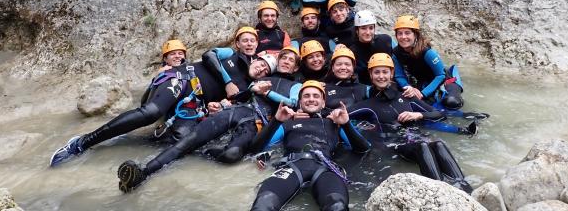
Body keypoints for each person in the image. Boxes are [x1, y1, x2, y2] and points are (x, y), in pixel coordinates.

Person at [116, 54, 278, 192]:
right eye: (262, 64)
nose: (262, 69)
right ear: (255, 60)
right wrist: (217, 104)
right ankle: (143, 173)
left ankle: (202, 151)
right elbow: (211, 59)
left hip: (245, 120)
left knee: (222, 151)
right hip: (224, 112)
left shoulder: (265, 85)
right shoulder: (242, 75)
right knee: (186, 141)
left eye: (266, 70)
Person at [49, 40, 205, 166]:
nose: (177, 56)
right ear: (165, 58)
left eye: (180, 53)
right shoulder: (164, 74)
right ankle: (81, 143)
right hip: (164, 110)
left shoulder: (191, 70)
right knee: (150, 113)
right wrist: (157, 79)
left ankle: (126, 140)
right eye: (173, 54)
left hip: (185, 113)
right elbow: (147, 103)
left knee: (179, 141)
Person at [347, 53, 474, 193]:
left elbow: (439, 115)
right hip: (396, 146)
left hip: (417, 139)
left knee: (438, 144)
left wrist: (418, 114)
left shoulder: (406, 96)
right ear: (371, 75)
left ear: (392, 74)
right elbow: (342, 114)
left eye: (385, 72)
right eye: (377, 72)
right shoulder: (368, 104)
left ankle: (465, 189)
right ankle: (439, 192)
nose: (381, 76)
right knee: (423, 146)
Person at [247, 80, 371, 211]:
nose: (311, 99)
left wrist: (346, 124)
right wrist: (276, 121)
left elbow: (364, 149)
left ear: (323, 103)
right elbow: (255, 148)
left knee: (337, 206)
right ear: (300, 102)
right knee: (263, 203)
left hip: (325, 169)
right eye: (306, 96)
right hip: (292, 167)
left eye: (316, 96)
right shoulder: (288, 123)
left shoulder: (335, 123)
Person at [392, 15, 465, 110]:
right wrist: (408, 88)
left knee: (451, 102)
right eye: (400, 33)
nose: (403, 37)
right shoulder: (396, 53)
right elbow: (399, 76)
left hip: (443, 80)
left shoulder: (427, 52)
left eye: (407, 33)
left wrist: (422, 93)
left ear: (415, 35)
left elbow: (440, 75)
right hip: (422, 81)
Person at [201, 26, 261, 103]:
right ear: (238, 44)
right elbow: (209, 55)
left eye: (252, 41)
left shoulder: (257, 69)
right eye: (245, 41)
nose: (249, 43)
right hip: (192, 79)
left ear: (256, 44)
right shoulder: (231, 53)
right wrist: (228, 82)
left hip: (204, 100)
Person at [348, 10, 395, 85]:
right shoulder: (352, 52)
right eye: (363, 28)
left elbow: (396, 62)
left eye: (371, 28)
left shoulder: (386, 40)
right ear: (357, 30)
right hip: (368, 88)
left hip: (390, 83)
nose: (368, 32)